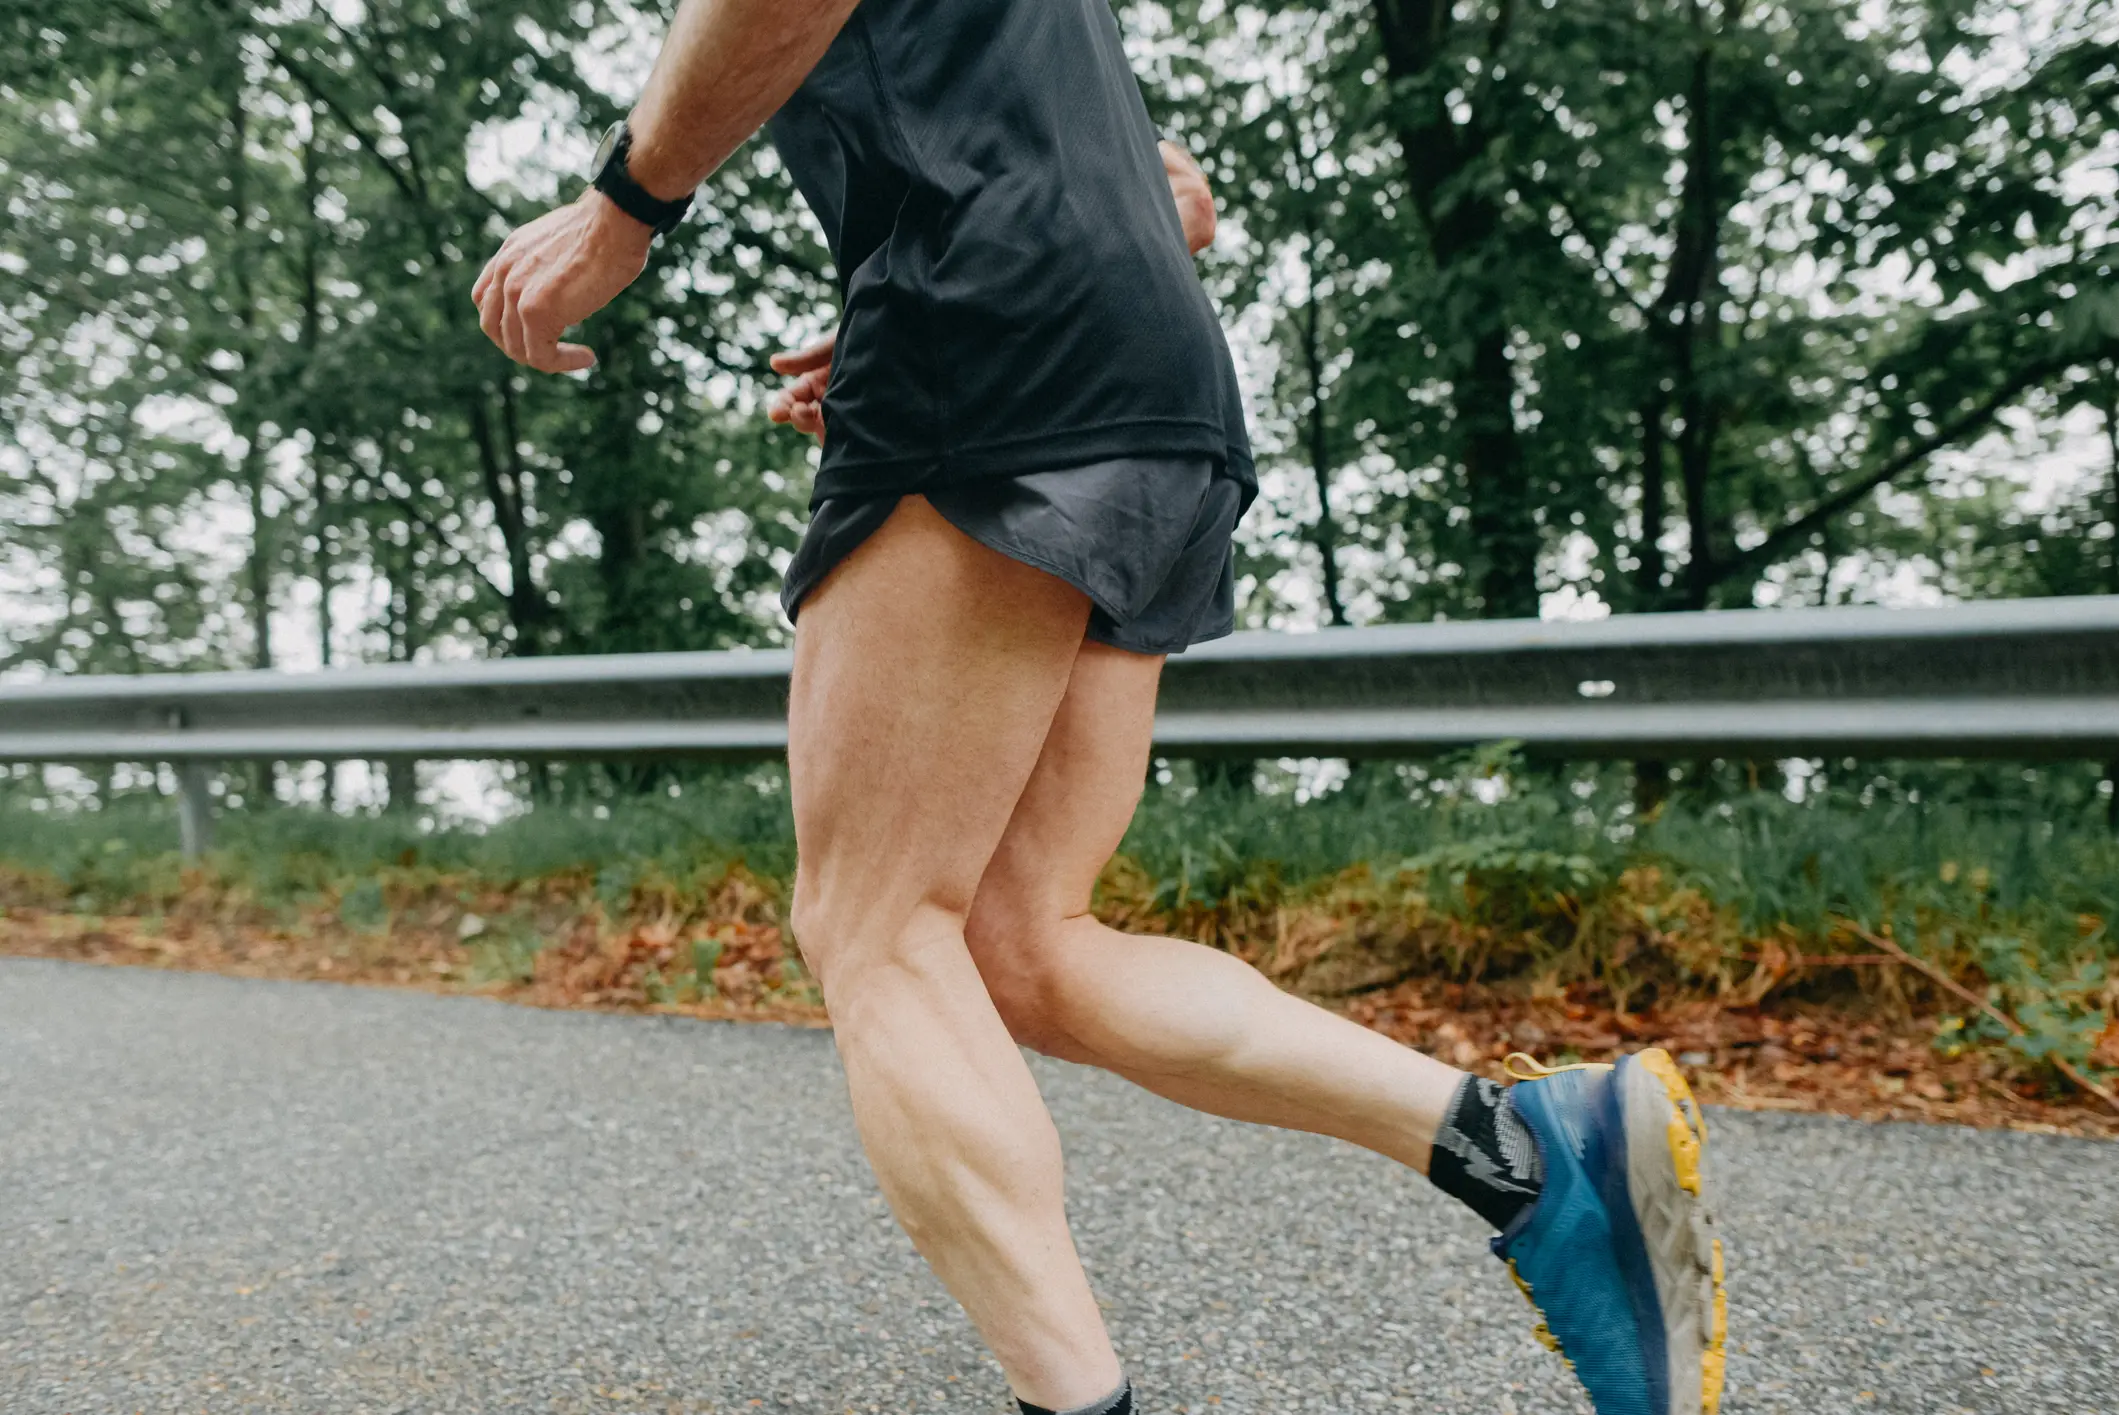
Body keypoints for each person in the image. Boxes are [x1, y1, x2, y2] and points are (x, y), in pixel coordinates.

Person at [470, 1, 1727, 1411]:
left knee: (876, 928)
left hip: (991, 327)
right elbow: (1161, 179)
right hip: (1143, 353)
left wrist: (625, 205)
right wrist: (962, 277)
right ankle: (1529, 1154)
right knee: (1023, 943)